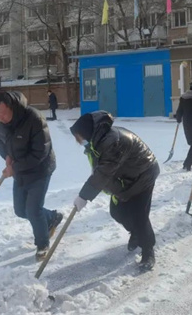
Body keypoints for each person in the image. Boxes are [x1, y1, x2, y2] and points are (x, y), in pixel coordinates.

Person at [70, 111, 160, 271]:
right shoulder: (96, 143)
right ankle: (136, 233)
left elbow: (103, 173)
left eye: (78, 137)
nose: (78, 141)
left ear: (87, 132)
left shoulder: (112, 141)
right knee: (117, 212)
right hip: (125, 179)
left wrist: (84, 196)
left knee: (139, 215)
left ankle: (148, 251)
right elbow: (100, 171)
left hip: (143, 175)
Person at [0, 91, 63, 261]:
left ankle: (42, 244)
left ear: (12, 107)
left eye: (3, 114)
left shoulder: (34, 118)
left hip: (40, 169)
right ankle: (52, 217)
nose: (0, 118)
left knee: (33, 210)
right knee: (20, 210)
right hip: (19, 169)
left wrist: (14, 167)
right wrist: (7, 156)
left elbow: (40, 152)